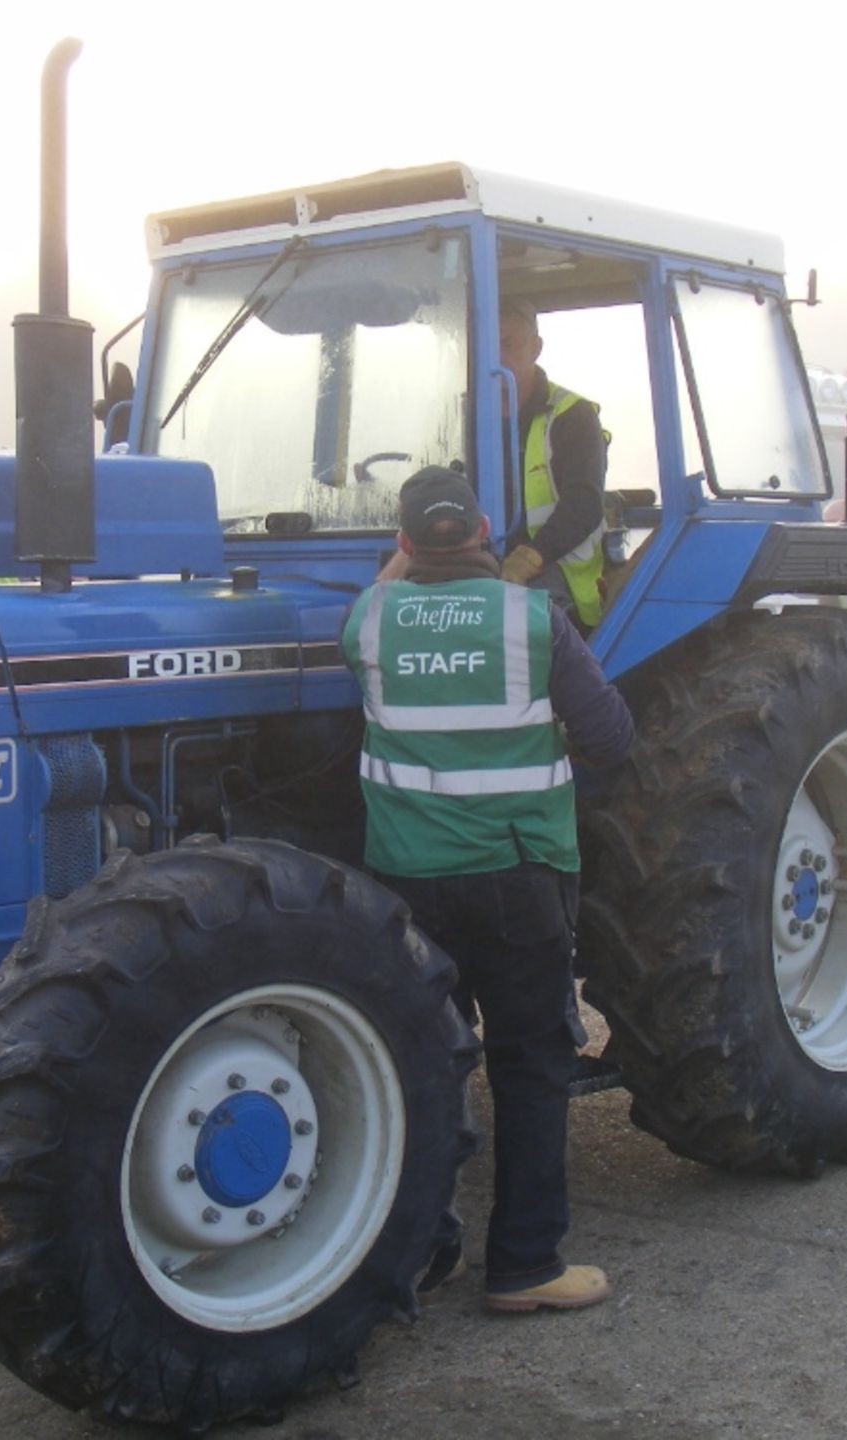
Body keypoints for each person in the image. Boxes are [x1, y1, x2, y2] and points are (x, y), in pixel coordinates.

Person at [341, 465, 634, 1312]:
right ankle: (527, 1266)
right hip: (519, 876)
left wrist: (401, 569)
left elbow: (385, 598)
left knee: (424, 1064)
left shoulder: (368, 623)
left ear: (400, 543)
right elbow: (611, 739)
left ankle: (429, 1252)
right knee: (531, 1064)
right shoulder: (533, 619)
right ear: (482, 533)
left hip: (405, 884)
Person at [498, 301, 608, 631]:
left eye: (509, 344)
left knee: (524, 630)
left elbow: (583, 505)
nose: (498, 357)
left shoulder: (571, 415)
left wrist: (528, 558)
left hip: (553, 565)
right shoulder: (464, 416)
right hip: (483, 563)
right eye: (488, 346)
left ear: (536, 348)